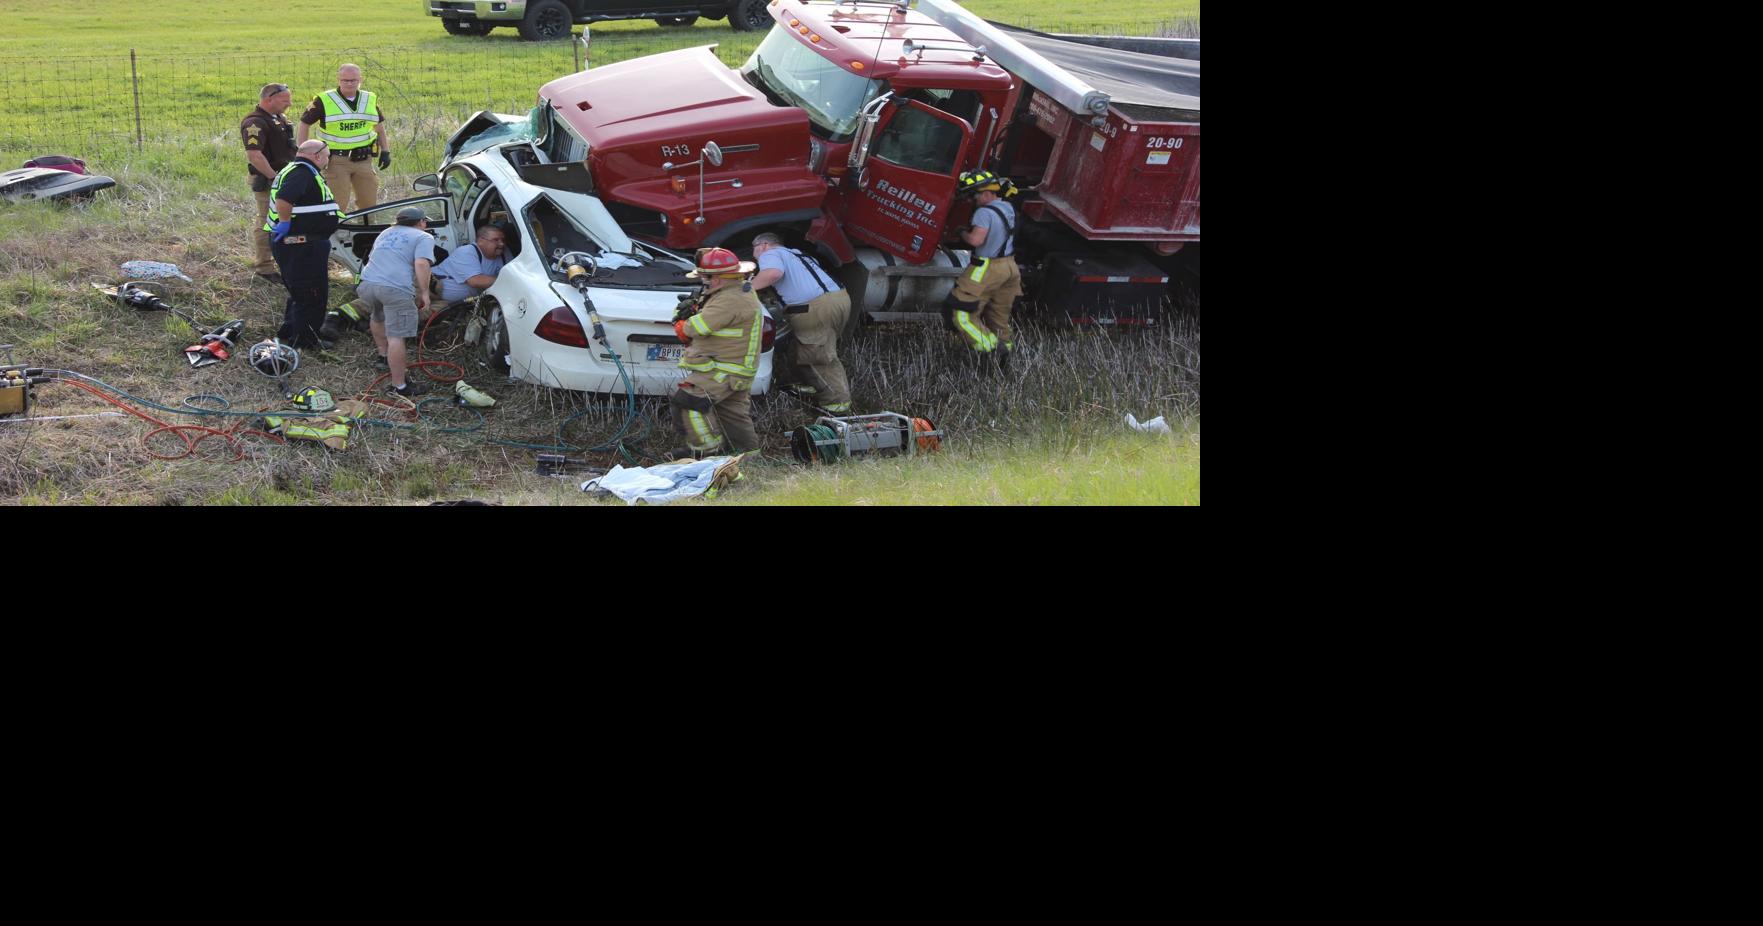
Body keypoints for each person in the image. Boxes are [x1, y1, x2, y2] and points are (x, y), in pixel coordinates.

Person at [670, 247, 763, 457]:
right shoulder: (736, 292)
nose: (703, 282)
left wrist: (681, 320)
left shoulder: (729, 300)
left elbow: (696, 328)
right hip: (736, 368)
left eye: (705, 278)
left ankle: (707, 452)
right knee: (732, 414)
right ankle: (749, 455)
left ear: (718, 278)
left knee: (690, 402)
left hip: (723, 369)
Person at [750, 232, 851, 414]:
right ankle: (808, 385)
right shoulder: (797, 253)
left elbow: (773, 274)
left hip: (815, 307)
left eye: (754, 249)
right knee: (801, 346)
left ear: (764, 245)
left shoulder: (770, 254)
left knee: (818, 355)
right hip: (839, 300)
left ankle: (836, 406)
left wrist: (746, 289)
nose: (754, 255)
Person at [265, 140, 344, 349]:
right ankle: (306, 340)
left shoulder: (296, 169)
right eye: (327, 156)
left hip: (298, 243)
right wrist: (284, 222)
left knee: (299, 292)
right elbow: (284, 198)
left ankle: (290, 330)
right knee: (312, 294)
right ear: (317, 155)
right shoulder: (302, 172)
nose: (328, 161)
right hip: (300, 244)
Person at [353, 206, 435, 398]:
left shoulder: (386, 232)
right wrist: (424, 292)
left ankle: (383, 355)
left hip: (368, 285)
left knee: (377, 315)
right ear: (420, 222)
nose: (425, 224)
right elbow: (422, 264)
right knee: (396, 336)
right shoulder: (424, 237)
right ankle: (400, 386)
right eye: (425, 221)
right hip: (394, 289)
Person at [948, 169, 1024, 368]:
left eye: (974, 195)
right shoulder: (1007, 207)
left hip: (987, 268)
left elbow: (976, 239)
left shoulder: (983, 213)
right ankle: (1005, 357)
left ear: (987, 192)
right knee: (998, 316)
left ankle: (989, 349)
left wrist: (962, 232)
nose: (973, 200)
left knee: (961, 314)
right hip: (1010, 267)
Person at [295, 64, 388, 215]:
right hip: (336, 161)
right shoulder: (323, 100)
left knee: (369, 206)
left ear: (360, 80)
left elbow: (379, 126)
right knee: (336, 206)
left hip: (364, 160)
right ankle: (334, 236)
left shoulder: (369, 98)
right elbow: (305, 124)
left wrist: (386, 151)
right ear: (338, 80)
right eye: (345, 80)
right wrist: (303, 154)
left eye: (353, 80)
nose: (350, 84)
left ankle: (366, 235)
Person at [242, 82, 297, 284]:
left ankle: (286, 261)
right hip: (268, 180)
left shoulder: (278, 118)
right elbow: (254, 155)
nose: (289, 104)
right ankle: (264, 267)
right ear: (268, 99)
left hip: (286, 177)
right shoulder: (255, 123)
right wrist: (274, 178)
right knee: (267, 221)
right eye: (284, 100)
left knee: (288, 219)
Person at [431, 224, 508, 305]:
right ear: (480, 241)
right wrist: (509, 280)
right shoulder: (466, 252)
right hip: (432, 295)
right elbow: (476, 281)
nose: (501, 244)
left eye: (503, 240)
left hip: (468, 304)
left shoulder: (504, 253)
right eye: (496, 240)